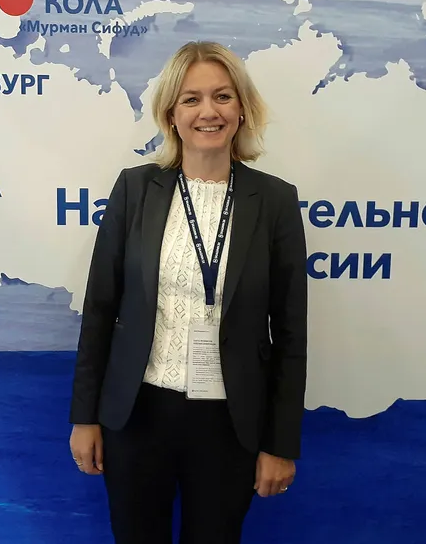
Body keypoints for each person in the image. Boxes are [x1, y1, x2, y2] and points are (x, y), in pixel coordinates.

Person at [68, 40, 308, 544]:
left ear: (241, 109)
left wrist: (280, 444)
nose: (208, 112)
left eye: (222, 96)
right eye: (191, 99)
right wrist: (84, 418)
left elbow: (291, 334)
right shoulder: (135, 189)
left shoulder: (275, 201)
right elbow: (100, 310)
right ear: (171, 114)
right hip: (136, 415)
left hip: (230, 423)